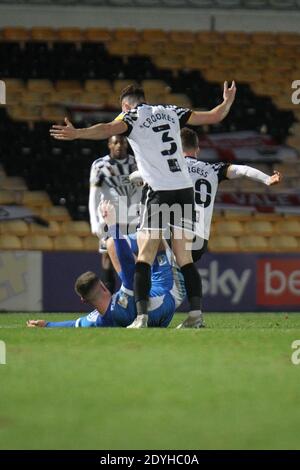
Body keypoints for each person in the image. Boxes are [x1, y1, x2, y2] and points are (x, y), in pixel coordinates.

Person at [50, 81, 236, 328]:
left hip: (160, 191)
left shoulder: (132, 117)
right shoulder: (172, 111)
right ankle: (196, 316)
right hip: (184, 190)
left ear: (126, 105)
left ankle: (141, 316)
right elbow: (215, 116)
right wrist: (227, 101)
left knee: (144, 257)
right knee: (184, 258)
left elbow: (106, 128)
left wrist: (77, 134)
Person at [27, 201, 186, 329]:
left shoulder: (100, 321)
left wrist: (47, 325)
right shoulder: (124, 299)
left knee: (117, 248)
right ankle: (151, 191)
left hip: (156, 309)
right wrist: (112, 225)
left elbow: (75, 323)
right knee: (142, 237)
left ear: (84, 300)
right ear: (103, 286)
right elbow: (126, 262)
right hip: (171, 290)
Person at [89, 134, 141, 293]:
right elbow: (94, 195)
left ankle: (138, 295)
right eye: (115, 142)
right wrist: (94, 221)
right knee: (107, 258)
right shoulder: (100, 165)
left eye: (122, 142)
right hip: (109, 219)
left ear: (127, 144)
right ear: (109, 145)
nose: (119, 145)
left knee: (137, 257)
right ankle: (110, 300)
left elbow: (141, 190)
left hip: (132, 219)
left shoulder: (137, 162)